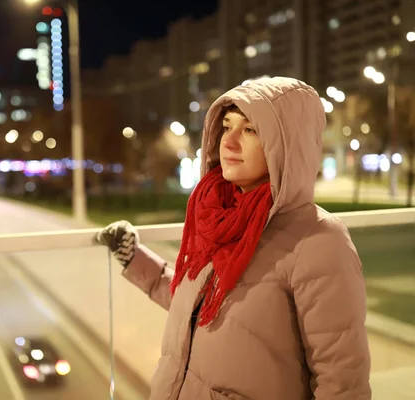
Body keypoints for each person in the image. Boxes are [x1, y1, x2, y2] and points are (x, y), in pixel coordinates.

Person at [96, 76, 371, 400]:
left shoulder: (319, 241)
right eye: (227, 126)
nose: (229, 142)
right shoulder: (220, 218)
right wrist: (136, 260)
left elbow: (342, 384)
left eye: (251, 130)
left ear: (287, 144)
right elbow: (201, 309)